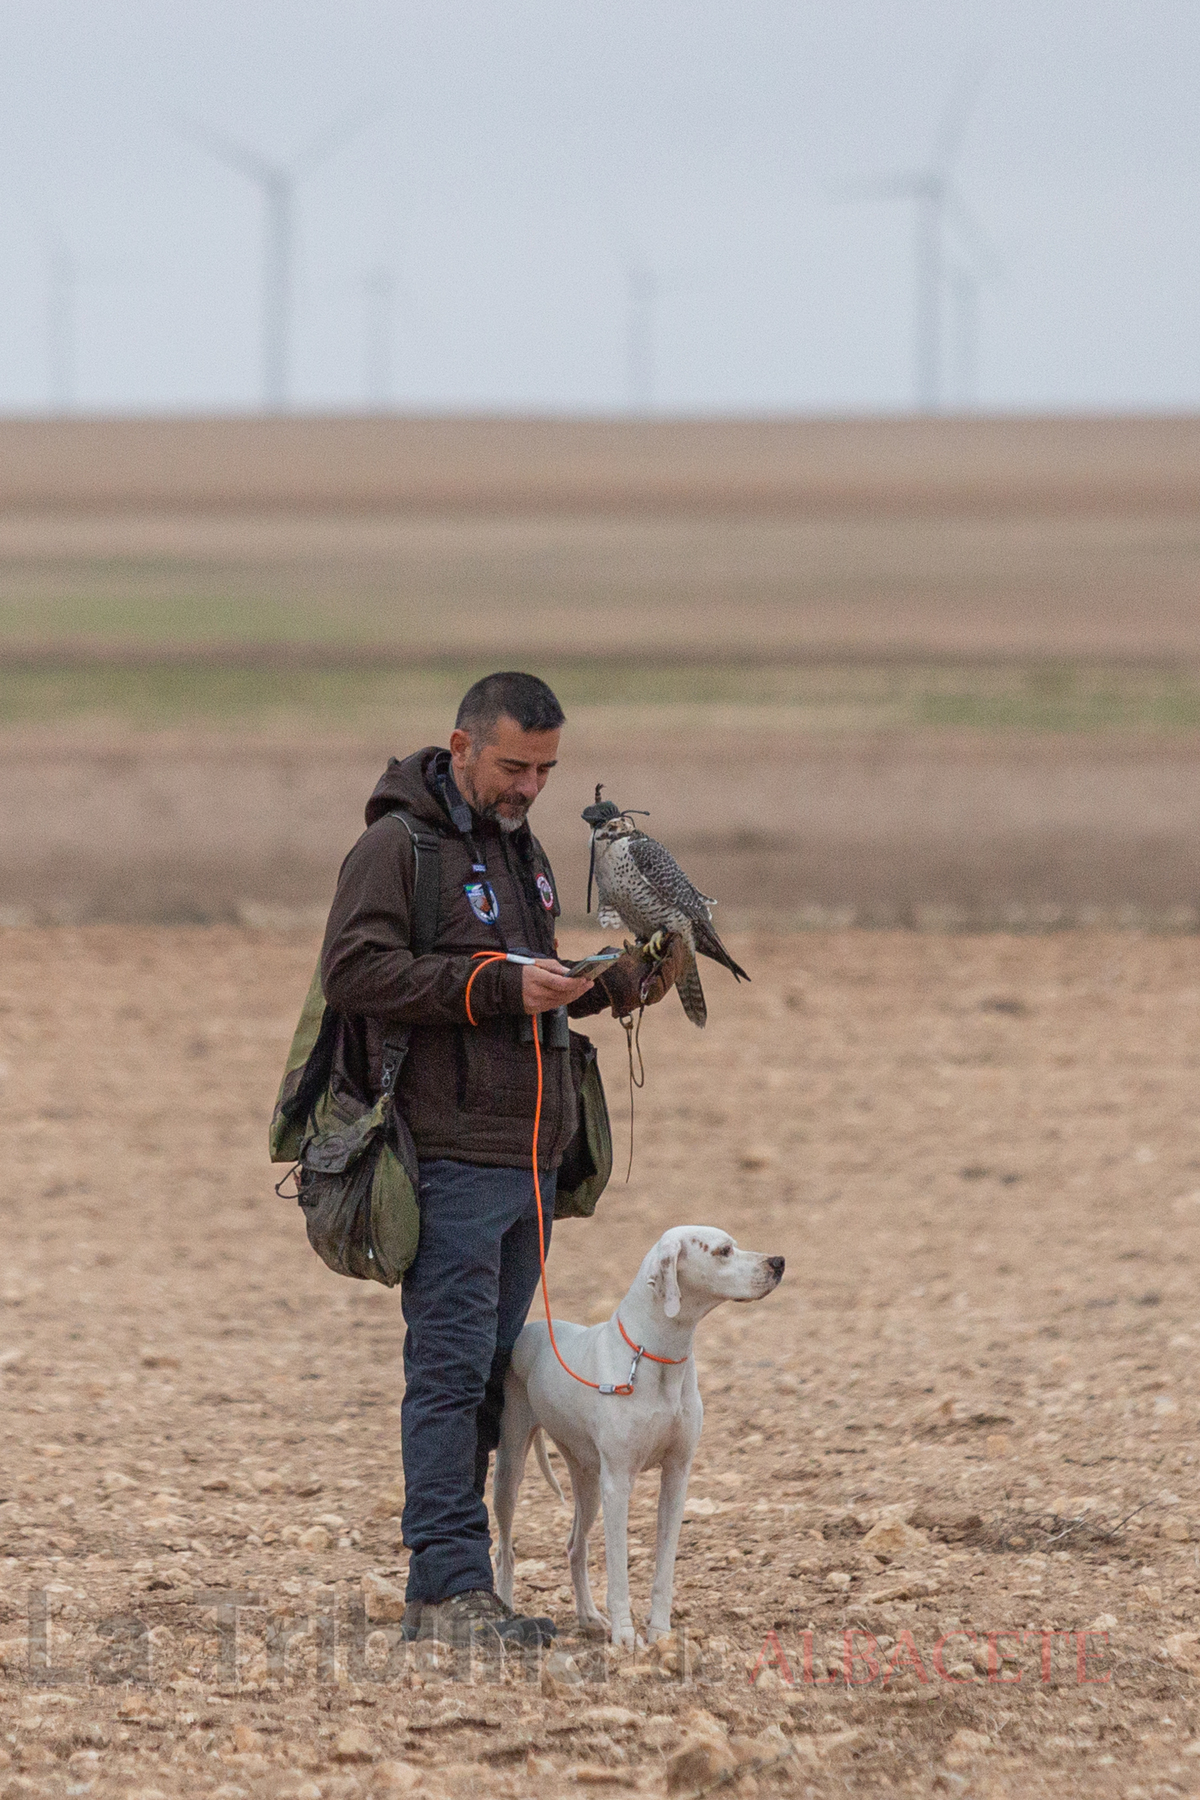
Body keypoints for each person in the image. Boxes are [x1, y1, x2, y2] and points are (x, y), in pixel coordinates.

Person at [320, 671, 684, 1649]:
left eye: (546, 770)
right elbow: (353, 971)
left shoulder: (518, 851)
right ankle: (443, 1590)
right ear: (463, 744)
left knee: (491, 1375)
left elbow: (536, 983)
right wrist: (493, 989)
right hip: (442, 1157)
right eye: (516, 765)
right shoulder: (395, 847)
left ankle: (461, 1582)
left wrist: (615, 982)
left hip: (528, 1159)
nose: (530, 786)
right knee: (447, 1372)